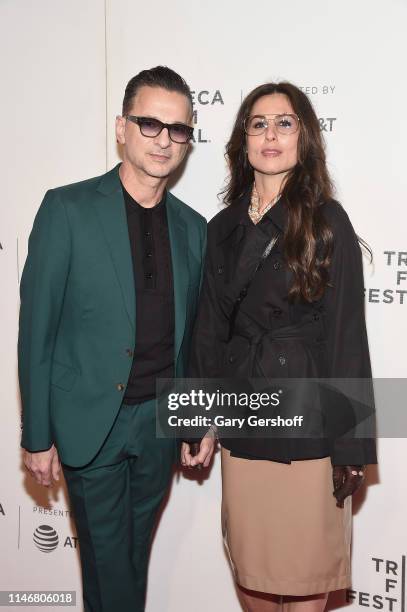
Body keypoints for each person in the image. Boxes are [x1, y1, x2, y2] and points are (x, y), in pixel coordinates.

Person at [18, 65, 210, 612]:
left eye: (177, 129)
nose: (163, 140)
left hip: (159, 427)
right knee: (110, 565)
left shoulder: (193, 228)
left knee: (128, 563)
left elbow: (193, 337)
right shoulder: (67, 209)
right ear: (121, 127)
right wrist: (37, 434)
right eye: (149, 124)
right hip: (89, 422)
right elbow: (37, 330)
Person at [181, 82, 377, 612]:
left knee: (308, 583)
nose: (271, 134)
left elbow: (346, 339)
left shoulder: (326, 220)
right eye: (258, 123)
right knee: (253, 580)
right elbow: (208, 330)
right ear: (242, 141)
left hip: (309, 430)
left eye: (284, 123)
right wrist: (196, 419)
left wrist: (351, 447)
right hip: (245, 423)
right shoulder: (219, 228)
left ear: (304, 137)